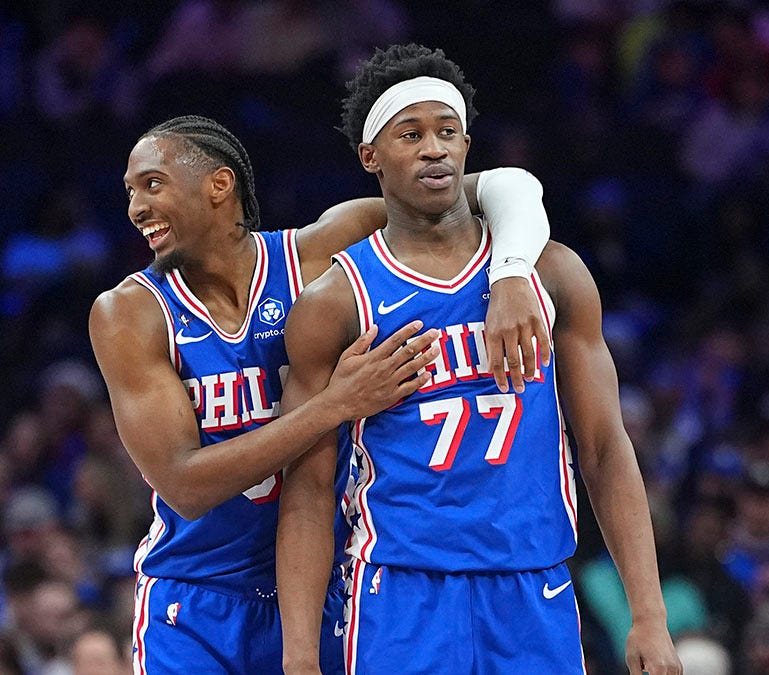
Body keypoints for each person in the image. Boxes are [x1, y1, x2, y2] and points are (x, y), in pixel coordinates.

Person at [89, 112, 553, 673]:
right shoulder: (129, 312)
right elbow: (185, 485)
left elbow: (504, 187)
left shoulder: (320, 254)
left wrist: (510, 272)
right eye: (131, 192)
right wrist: (335, 405)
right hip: (194, 600)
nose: (136, 208)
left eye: (152, 184)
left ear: (219, 184)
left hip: (326, 589)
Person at [275, 43, 681, 674]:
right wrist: (299, 654)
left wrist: (648, 615)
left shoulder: (553, 273)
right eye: (410, 135)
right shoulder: (336, 300)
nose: (433, 149)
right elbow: (307, 489)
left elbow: (604, 448)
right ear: (370, 156)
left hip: (533, 580)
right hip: (399, 586)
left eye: (447, 132)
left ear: (467, 146)